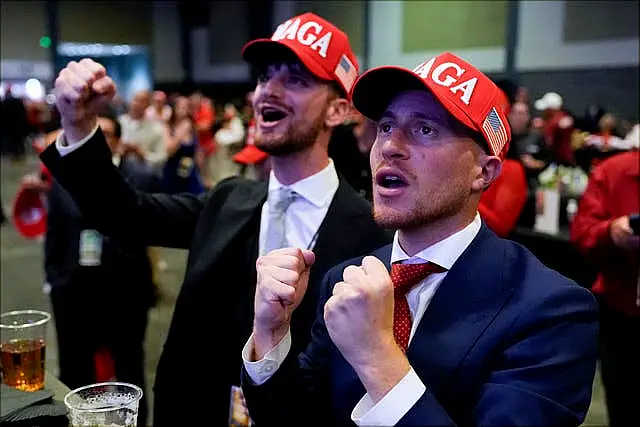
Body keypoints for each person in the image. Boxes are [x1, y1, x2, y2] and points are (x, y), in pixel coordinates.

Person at [40, 12, 391, 427]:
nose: (267, 92)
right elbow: (123, 213)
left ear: (337, 110)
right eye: (264, 77)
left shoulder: (373, 233)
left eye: (295, 80)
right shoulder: (229, 199)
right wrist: (78, 124)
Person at [241, 52, 599, 426]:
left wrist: (378, 356)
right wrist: (270, 334)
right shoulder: (344, 279)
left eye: (425, 129)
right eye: (385, 127)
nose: (390, 147)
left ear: (484, 171)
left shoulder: (551, 310)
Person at [22, 112, 159, 425]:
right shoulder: (64, 177)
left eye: (108, 135)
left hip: (124, 293)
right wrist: (53, 279)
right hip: (73, 292)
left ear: (118, 141)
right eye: (96, 135)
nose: (101, 142)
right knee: (73, 371)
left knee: (129, 370)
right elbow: (56, 233)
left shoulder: (139, 177)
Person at [570, 150, 640, 427]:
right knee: (624, 405)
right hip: (622, 315)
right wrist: (611, 232)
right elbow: (583, 232)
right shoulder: (614, 172)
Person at [162, 95, 204, 195]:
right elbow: (170, 151)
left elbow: (197, 152)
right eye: (181, 107)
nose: (184, 111)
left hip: (190, 172)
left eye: (187, 108)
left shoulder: (192, 126)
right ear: (174, 109)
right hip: (173, 173)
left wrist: (203, 175)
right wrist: (182, 131)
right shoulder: (167, 127)